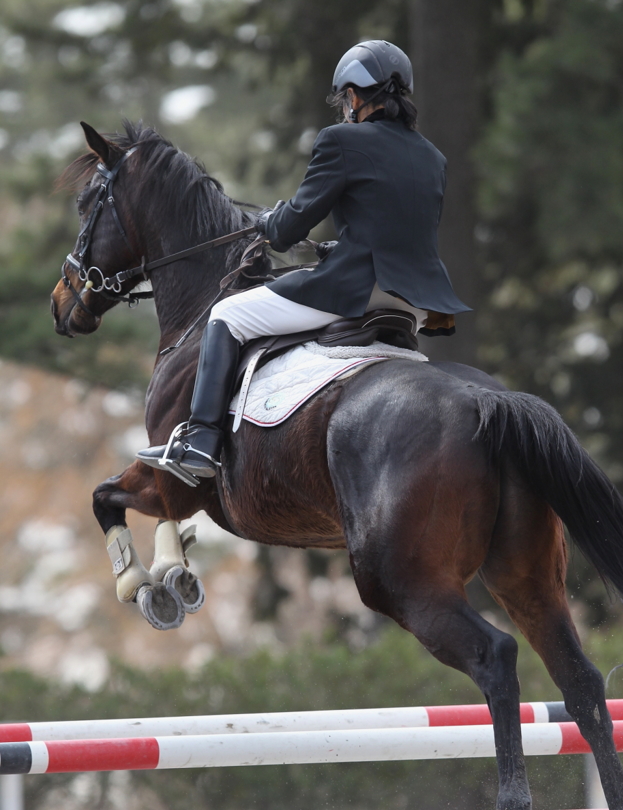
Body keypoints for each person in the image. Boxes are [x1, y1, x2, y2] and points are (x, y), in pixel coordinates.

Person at [137, 39, 470, 481]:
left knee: (226, 315)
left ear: (354, 97)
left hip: (356, 290)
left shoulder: (341, 141)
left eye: (344, 99)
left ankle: (200, 443)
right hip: (415, 302)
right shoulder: (434, 158)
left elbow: (289, 229)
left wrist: (270, 221)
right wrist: (341, 248)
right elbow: (396, 230)